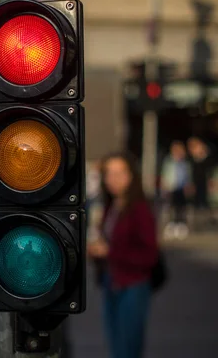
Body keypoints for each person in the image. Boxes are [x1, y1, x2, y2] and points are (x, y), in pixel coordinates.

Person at [88, 152, 159, 358]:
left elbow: (149, 254)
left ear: (131, 175)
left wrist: (110, 252)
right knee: (116, 343)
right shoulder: (112, 205)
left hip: (132, 283)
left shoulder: (139, 208)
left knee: (128, 346)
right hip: (111, 280)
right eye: (109, 173)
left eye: (120, 173)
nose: (113, 179)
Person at [160, 141, 193, 240]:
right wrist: (164, 186)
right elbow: (164, 174)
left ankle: (181, 226)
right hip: (171, 188)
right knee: (170, 207)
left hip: (181, 188)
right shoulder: (168, 162)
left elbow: (188, 176)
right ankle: (171, 225)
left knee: (181, 207)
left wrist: (188, 186)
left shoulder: (185, 163)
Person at [187, 137, 215, 228]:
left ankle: (207, 223)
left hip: (206, 185)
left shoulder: (209, 158)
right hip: (195, 186)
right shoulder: (191, 160)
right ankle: (196, 225)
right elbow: (190, 174)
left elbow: (211, 171)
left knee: (207, 204)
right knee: (196, 205)